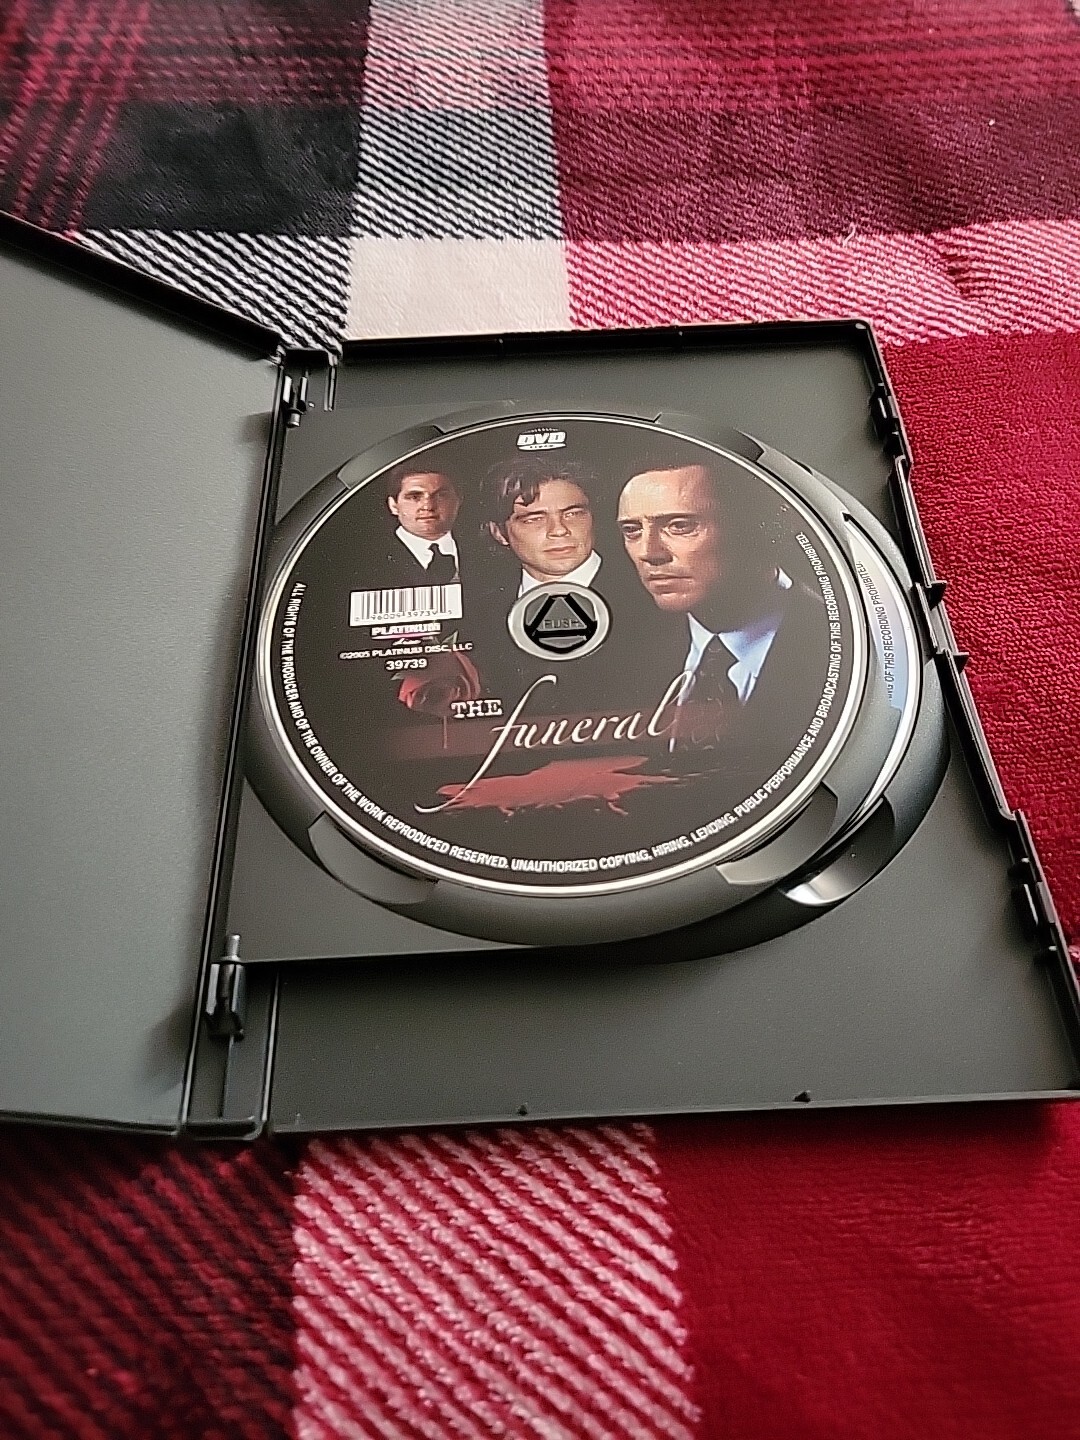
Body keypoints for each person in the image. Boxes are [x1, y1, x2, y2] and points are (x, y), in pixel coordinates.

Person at [616, 453, 827, 752]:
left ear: (752, 527)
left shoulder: (843, 642)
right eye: (632, 530)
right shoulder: (623, 657)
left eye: (680, 525)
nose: (648, 553)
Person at [379, 463, 463, 585]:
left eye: (440, 495)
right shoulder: (368, 559)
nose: (428, 506)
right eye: (414, 497)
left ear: (458, 500)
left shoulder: (483, 549)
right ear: (393, 505)